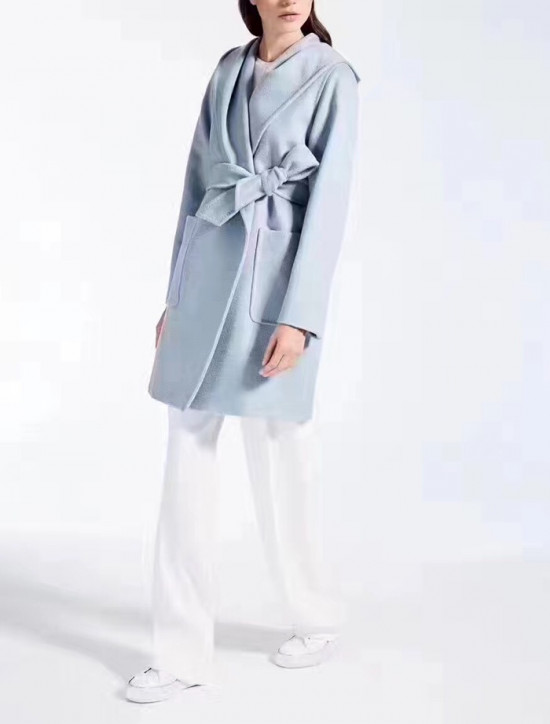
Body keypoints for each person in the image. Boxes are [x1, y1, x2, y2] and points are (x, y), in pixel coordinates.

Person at [126, 0, 360, 704]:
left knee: (281, 455)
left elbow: (330, 204)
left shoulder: (333, 78)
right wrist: (175, 296)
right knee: (185, 452)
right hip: (206, 282)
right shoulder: (228, 69)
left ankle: (315, 615)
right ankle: (180, 650)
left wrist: (300, 319)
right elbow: (195, 188)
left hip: (274, 292)